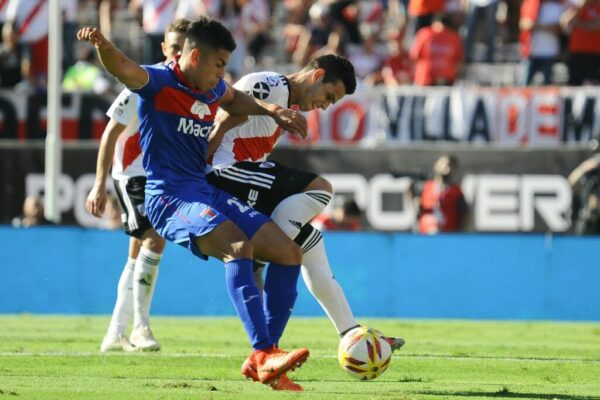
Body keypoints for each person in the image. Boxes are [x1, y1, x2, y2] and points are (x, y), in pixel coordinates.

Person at [77, 16, 310, 388]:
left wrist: (272, 111)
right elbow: (123, 67)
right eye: (219, 64)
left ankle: (268, 357)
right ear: (196, 56)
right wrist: (104, 47)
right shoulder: (158, 81)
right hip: (168, 197)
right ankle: (263, 352)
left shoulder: (212, 87)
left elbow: (235, 98)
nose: (222, 74)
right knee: (239, 247)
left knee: (288, 253)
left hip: (203, 189)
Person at [206, 54, 405, 390]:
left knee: (311, 244)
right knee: (320, 189)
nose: (324, 106)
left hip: (239, 176)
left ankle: (348, 332)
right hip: (223, 174)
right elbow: (224, 112)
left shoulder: (286, 102)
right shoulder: (268, 85)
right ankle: (272, 252)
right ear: (317, 75)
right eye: (328, 96)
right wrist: (205, 160)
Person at [86, 18, 189, 354]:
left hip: (160, 176)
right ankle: (141, 328)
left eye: (184, 48)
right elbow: (110, 134)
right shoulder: (143, 82)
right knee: (154, 239)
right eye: (174, 47)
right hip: (132, 174)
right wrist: (99, 184)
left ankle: (115, 332)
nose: (178, 54)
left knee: (137, 254)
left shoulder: (190, 88)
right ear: (164, 48)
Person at [414, 154, 467, 234]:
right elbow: (419, 210)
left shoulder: (456, 191)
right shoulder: (425, 187)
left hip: (448, 234)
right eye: (443, 163)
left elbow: (463, 214)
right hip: (426, 233)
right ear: (436, 165)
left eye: (449, 165)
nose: (446, 167)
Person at [409, 13, 463, 86]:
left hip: (432, 80)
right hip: (434, 80)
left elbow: (414, 56)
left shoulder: (425, 34)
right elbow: (458, 62)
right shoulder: (454, 37)